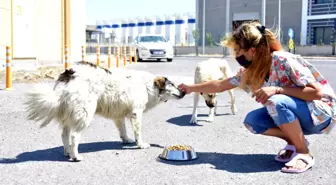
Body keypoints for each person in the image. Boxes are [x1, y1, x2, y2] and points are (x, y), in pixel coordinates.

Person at [178, 21, 336, 174]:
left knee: (276, 101)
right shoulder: (250, 72)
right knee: (253, 122)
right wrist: (190, 88)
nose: (236, 57)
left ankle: (304, 153)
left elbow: (316, 93)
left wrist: (278, 89)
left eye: (238, 52)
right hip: (299, 114)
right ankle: (295, 143)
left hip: (320, 114)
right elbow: (220, 85)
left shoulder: (282, 60)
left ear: (251, 51)